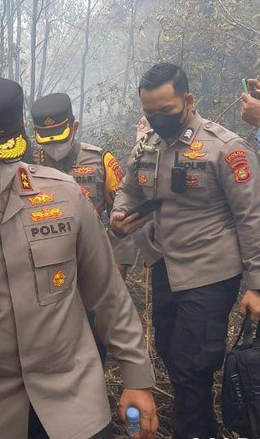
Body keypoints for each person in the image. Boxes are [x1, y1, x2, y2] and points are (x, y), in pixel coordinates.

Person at [0, 77, 158, 439]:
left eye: (7, 153)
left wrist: (136, 377)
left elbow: (109, 294)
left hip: (75, 402)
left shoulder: (66, 197)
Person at [111, 63, 260, 439]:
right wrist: (119, 215)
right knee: (170, 352)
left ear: (188, 100)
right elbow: (129, 188)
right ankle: (199, 426)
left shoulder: (225, 148)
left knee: (194, 364)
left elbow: (252, 217)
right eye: (149, 112)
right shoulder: (148, 145)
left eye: (166, 110)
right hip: (164, 266)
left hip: (211, 271)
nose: (157, 119)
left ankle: (193, 431)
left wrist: (256, 285)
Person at [31, 93, 134, 278]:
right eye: (47, 139)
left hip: (91, 260)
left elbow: (121, 218)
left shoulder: (101, 161)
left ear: (75, 127)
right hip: (42, 265)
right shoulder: (28, 165)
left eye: (60, 138)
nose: (54, 145)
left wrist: (120, 264)